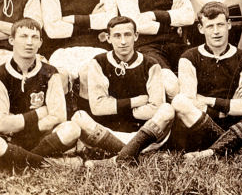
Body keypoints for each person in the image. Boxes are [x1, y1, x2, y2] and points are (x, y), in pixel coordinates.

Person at [170, 2, 242, 157]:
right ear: (201, 29)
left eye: (220, 25)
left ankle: (209, 153)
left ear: (229, 25)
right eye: (210, 26)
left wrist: (208, 100)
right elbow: (190, 101)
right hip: (202, 126)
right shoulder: (189, 58)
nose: (216, 31)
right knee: (179, 101)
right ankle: (235, 149)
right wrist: (226, 110)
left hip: (236, 124)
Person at [74, 16, 177, 164]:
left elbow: (155, 108)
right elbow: (98, 108)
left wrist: (115, 106)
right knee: (78, 117)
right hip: (109, 133)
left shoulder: (150, 64)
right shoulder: (99, 62)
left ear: (136, 36)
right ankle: (134, 153)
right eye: (117, 36)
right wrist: (136, 102)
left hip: (144, 133)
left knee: (167, 110)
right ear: (108, 38)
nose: (123, 41)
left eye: (127, 35)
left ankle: (114, 159)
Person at [0, 19, 82, 169]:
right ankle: (52, 163)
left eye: (34, 37)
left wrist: (21, 125)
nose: (29, 42)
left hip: (41, 136)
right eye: (23, 36)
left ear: (40, 42)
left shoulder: (50, 72)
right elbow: (1, 125)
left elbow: (59, 116)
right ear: (11, 40)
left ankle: (15, 161)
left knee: (72, 129)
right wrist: (40, 112)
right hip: (11, 138)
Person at [41, 0, 117, 98]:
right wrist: (91, 20)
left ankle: (87, 112)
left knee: (89, 75)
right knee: (58, 79)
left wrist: (69, 19)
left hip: (96, 49)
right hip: (62, 51)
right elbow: (53, 30)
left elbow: (110, 21)